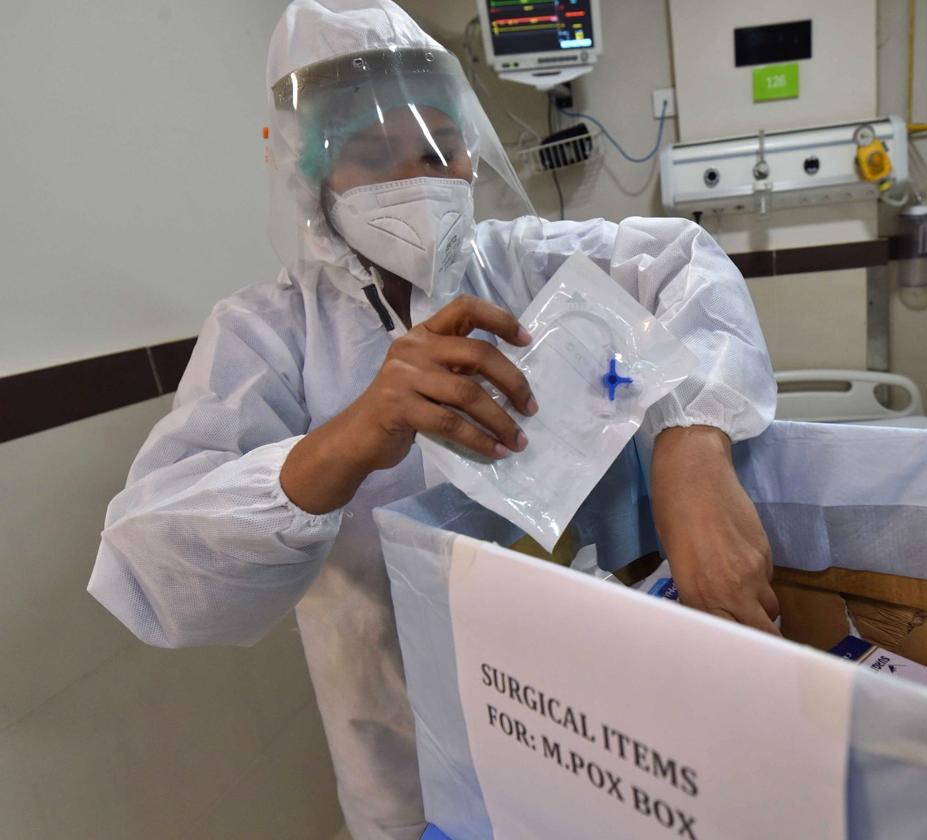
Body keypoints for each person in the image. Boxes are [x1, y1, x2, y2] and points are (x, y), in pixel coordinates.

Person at [89, 1, 779, 837]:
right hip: (411, 750)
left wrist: (691, 445)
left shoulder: (531, 265)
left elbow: (687, 264)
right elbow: (158, 566)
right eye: (372, 154)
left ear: (471, 151)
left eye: (436, 147)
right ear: (310, 174)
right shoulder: (266, 335)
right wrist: (350, 436)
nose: (416, 178)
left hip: (607, 718)